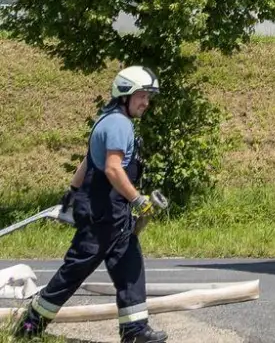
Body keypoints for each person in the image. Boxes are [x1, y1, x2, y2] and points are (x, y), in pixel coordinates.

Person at [14, 66, 166, 343]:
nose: (146, 102)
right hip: (104, 214)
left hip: (110, 213)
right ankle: (29, 326)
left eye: (148, 97)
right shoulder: (120, 124)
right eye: (142, 95)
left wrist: (72, 190)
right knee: (74, 271)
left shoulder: (106, 120)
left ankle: (134, 331)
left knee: (129, 266)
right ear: (125, 94)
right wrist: (138, 199)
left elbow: (87, 162)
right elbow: (112, 169)